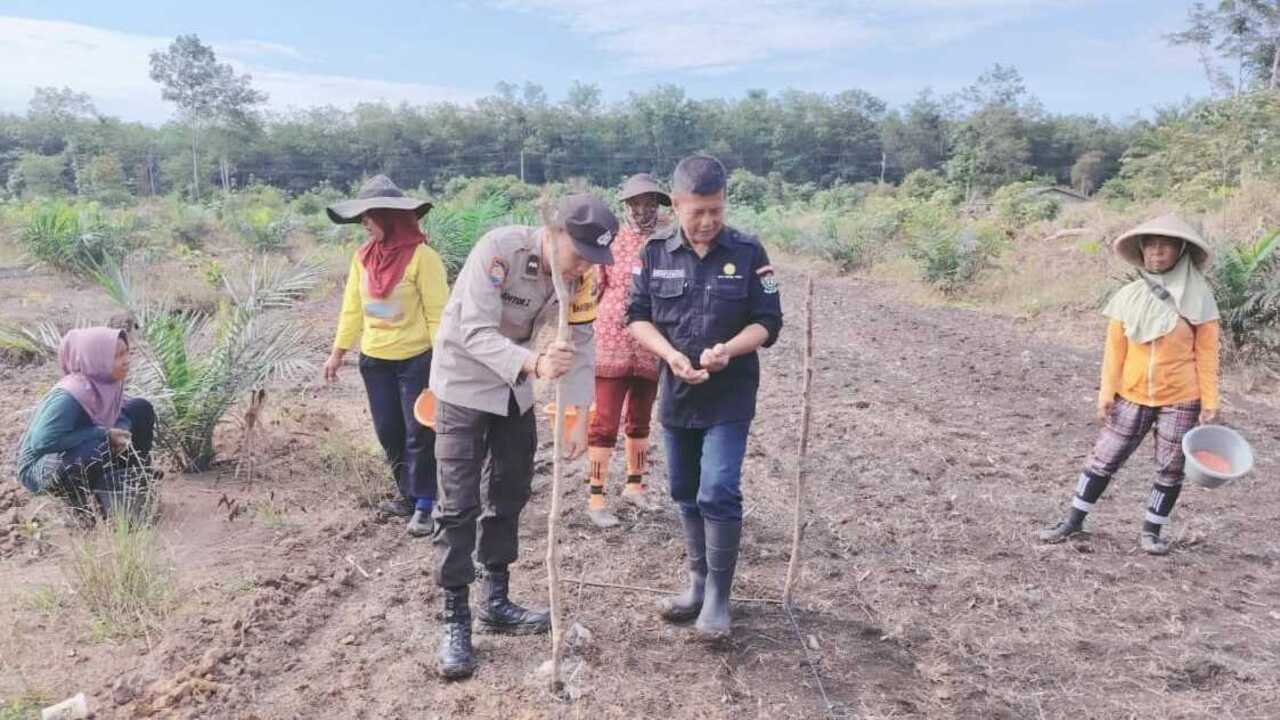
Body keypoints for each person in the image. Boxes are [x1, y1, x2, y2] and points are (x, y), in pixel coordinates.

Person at [429, 193, 617, 679]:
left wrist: (579, 415)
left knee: (509, 492)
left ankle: (495, 600)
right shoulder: (499, 250)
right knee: (458, 505)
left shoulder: (580, 277)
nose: (584, 267)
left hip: (514, 389)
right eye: (579, 254)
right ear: (553, 233)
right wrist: (534, 363)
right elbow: (473, 330)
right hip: (463, 383)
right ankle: (455, 617)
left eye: (593, 258)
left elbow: (582, 342)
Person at [626, 154, 783, 640]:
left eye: (717, 209)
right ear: (676, 205)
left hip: (729, 396)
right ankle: (696, 583)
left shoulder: (749, 252)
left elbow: (768, 322)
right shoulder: (655, 253)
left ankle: (718, 595)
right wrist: (670, 355)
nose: (709, 221)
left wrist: (728, 350)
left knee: (718, 489)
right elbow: (636, 316)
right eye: (698, 211)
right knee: (684, 490)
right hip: (677, 393)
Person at [1039, 215, 1221, 556]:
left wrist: (1210, 400)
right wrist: (1106, 393)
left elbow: (1208, 355)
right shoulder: (1128, 296)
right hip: (1131, 394)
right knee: (1103, 457)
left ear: (1181, 251)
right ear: (1141, 251)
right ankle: (1073, 521)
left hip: (1182, 397)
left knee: (1170, 467)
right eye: (1150, 245)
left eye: (1165, 246)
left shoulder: (1199, 297)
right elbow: (1114, 352)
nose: (1157, 252)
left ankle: (1152, 532)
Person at [323, 175, 449, 538]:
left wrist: (441, 364)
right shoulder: (362, 259)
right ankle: (407, 495)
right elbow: (352, 309)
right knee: (389, 431)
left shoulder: (424, 258)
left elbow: (438, 315)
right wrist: (337, 353)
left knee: (418, 433)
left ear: (390, 217)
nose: (364, 223)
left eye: (370, 216)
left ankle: (425, 503)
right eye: (362, 217)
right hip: (375, 361)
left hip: (416, 359)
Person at [583, 173, 671, 528]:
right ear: (627, 206)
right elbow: (596, 286)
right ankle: (596, 497)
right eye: (636, 204)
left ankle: (635, 486)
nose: (642, 211)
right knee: (605, 420)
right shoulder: (612, 239)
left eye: (650, 204)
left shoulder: (668, 241)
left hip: (652, 340)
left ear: (658, 207)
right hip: (611, 337)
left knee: (640, 418)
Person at [15, 327, 157, 522]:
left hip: (78, 449)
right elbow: (42, 443)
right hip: (39, 468)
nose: (126, 360)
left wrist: (119, 429)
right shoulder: (69, 396)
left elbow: (119, 412)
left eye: (126, 353)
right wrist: (102, 433)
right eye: (117, 356)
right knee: (96, 446)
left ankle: (130, 477)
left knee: (140, 408)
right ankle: (81, 506)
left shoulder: (105, 382)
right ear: (96, 360)